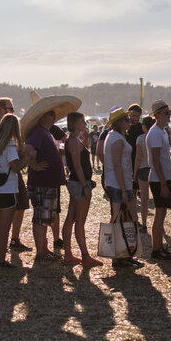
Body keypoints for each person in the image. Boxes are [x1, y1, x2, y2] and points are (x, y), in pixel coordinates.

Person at [21, 92, 79, 262]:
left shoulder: (44, 132)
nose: (54, 115)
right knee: (41, 218)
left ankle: (44, 249)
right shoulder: (39, 132)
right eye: (51, 113)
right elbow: (26, 150)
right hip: (42, 182)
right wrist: (33, 165)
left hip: (47, 182)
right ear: (42, 116)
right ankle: (41, 252)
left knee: (45, 217)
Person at [0, 97, 33, 252]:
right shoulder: (10, 144)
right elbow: (15, 167)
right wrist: (27, 158)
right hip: (7, 188)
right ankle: (0, 258)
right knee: (5, 226)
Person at [103, 108, 144, 269]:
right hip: (119, 185)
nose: (129, 121)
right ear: (119, 122)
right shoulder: (117, 139)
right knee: (121, 220)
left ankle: (125, 255)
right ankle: (120, 257)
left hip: (119, 184)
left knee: (125, 220)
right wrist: (124, 189)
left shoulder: (115, 137)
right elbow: (118, 166)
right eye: (126, 119)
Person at [62, 111, 102, 267]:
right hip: (79, 184)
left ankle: (68, 254)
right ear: (74, 124)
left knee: (71, 219)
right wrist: (85, 185)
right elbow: (77, 166)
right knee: (79, 222)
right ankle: (85, 256)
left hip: (76, 183)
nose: (85, 123)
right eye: (82, 121)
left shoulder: (73, 139)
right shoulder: (72, 141)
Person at [146, 100, 171, 260]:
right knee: (159, 215)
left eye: (170, 112)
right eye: (166, 113)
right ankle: (156, 249)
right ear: (157, 115)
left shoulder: (162, 132)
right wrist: (164, 183)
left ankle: (158, 247)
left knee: (162, 214)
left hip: (163, 178)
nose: (169, 115)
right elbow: (156, 160)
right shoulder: (155, 133)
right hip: (158, 179)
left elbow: (165, 160)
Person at [133, 116, 154, 228]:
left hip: (143, 169)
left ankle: (144, 223)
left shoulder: (140, 138)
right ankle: (159, 225)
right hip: (154, 169)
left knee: (144, 200)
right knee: (155, 199)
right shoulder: (155, 136)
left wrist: (135, 173)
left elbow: (138, 157)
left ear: (144, 126)